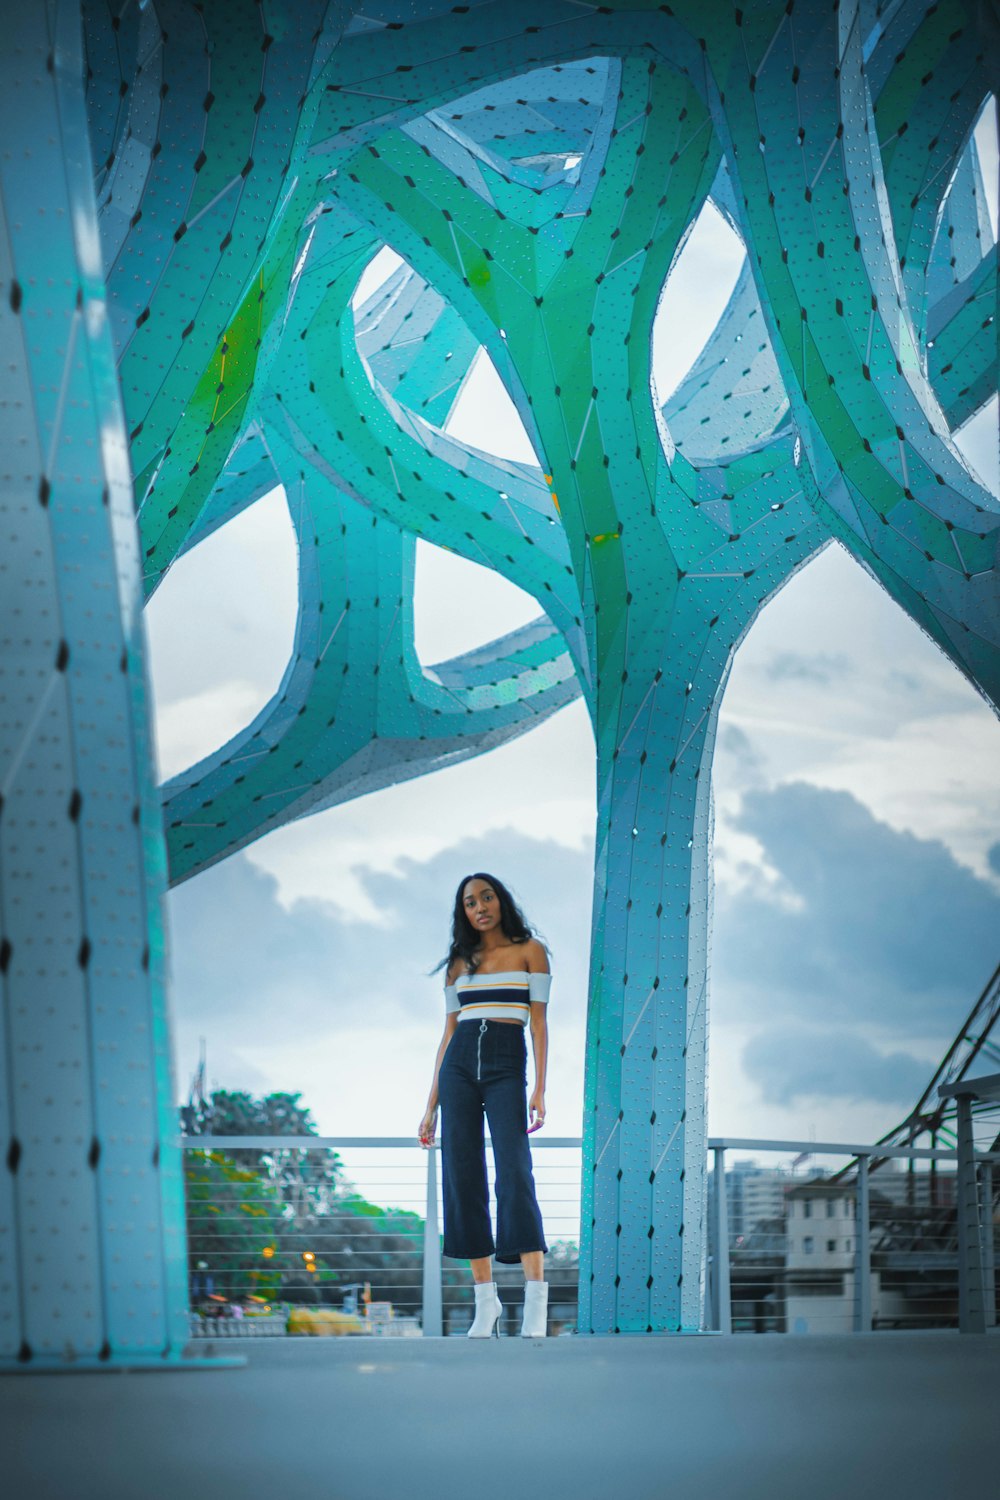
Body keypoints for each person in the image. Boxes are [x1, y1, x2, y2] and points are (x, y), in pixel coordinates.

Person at [418, 873, 550, 1339]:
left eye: (486, 897)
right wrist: (430, 1105)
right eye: (470, 902)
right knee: (463, 1175)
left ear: (501, 900)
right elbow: (448, 1034)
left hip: (506, 1061)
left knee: (514, 1170)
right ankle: (486, 1302)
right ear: (464, 912)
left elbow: (538, 1024)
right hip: (458, 1067)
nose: (480, 907)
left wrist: (540, 1088)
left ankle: (535, 1300)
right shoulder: (459, 963)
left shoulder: (530, 951)